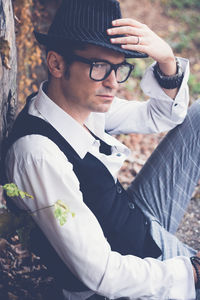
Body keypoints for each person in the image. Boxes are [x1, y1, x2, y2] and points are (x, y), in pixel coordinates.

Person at [3, 0, 200, 299]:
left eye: (118, 68)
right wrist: (192, 271)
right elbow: (102, 274)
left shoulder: (78, 103)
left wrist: (167, 61)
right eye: (99, 67)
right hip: (130, 273)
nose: (113, 82)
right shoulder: (38, 154)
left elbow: (161, 116)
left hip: (136, 219)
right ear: (56, 64)